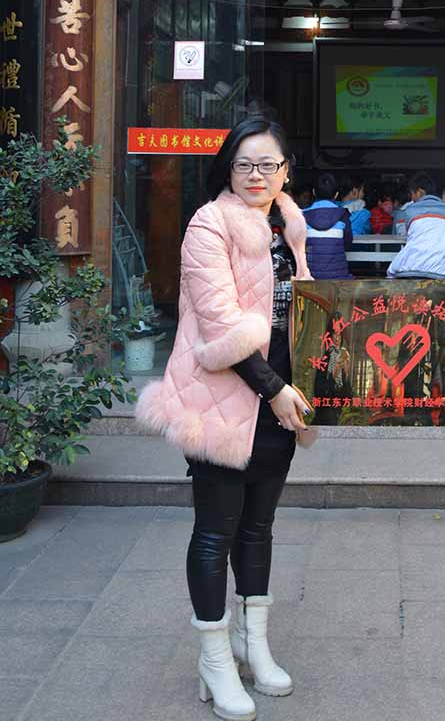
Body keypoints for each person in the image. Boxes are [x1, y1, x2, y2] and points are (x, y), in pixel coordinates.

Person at [136, 116, 314, 721]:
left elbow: (300, 313)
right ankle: (214, 658)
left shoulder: (288, 223)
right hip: (222, 398)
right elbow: (219, 322)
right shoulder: (208, 224)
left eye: (268, 164)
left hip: (279, 396)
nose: (257, 175)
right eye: (244, 164)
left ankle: (251, 643)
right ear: (228, 169)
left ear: (286, 169)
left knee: (258, 527)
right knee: (215, 531)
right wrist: (275, 390)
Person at [387, 172, 445, 279]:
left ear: (420, 192)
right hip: (442, 271)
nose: (412, 198)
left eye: (412, 194)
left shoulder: (410, 211)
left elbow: (410, 236)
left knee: (391, 273)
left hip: (410, 268)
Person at [303, 171, 353, 279]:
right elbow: (348, 243)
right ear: (336, 195)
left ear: (314, 192)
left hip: (310, 277)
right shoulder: (342, 215)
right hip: (339, 278)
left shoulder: (302, 216)